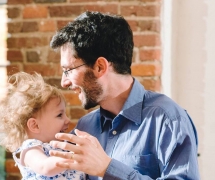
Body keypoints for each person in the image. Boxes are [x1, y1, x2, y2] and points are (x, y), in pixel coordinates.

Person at [48, 11, 200, 179]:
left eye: (68, 70)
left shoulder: (168, 120)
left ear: (100, 67)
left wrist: (107, 168)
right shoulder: (85, 127)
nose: (64, 82)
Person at [0, 72, 86, 180]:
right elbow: (45, 167)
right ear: (35, 125)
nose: (67, 120)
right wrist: (73, 156)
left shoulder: (61, 145)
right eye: (59, 115)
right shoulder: (30, 149)